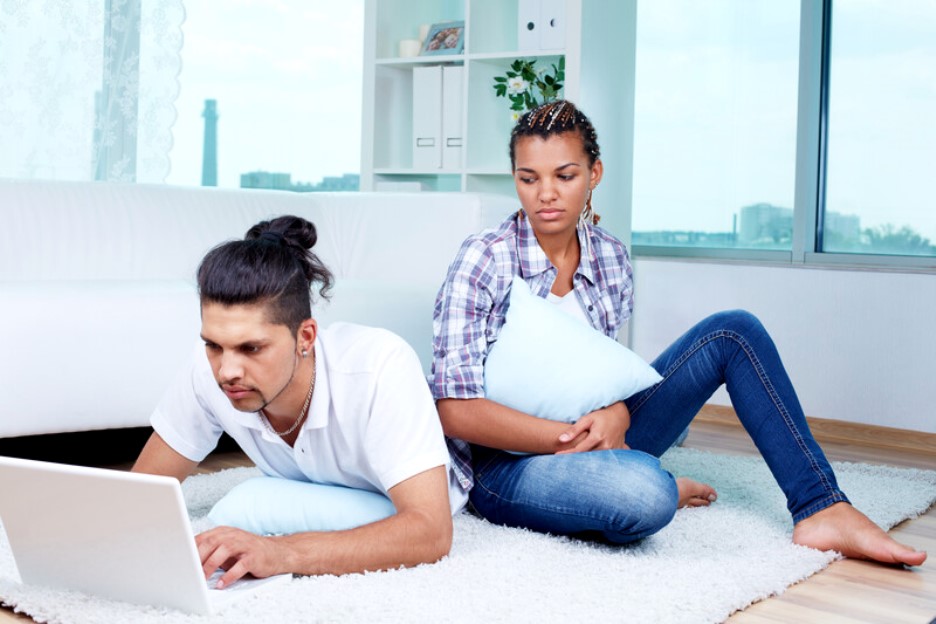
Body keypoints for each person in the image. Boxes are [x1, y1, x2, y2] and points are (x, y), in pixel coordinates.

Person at [430, 99, 926, 566]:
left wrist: (614, 412)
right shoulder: (484, 258)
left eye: (565, 175)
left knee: (733, 332)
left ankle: (821, 507)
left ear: (593, 174)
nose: (546, 194)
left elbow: (599, 372)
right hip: (509, 465)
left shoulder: (609, 256)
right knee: (643, 495)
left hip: (597, 436)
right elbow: (454, 410)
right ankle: (656, 482)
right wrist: (568, 440)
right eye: (528, 178)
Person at [133, 215, 466, 587]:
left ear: (305, 337)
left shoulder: (379, 366)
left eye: (251, 348)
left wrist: (282, 553)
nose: (227, 370)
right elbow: (140, 494)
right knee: (243, 503)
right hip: (322, 489)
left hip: (484, 470)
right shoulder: (208, 370)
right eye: (213, 345)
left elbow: (432, 532)